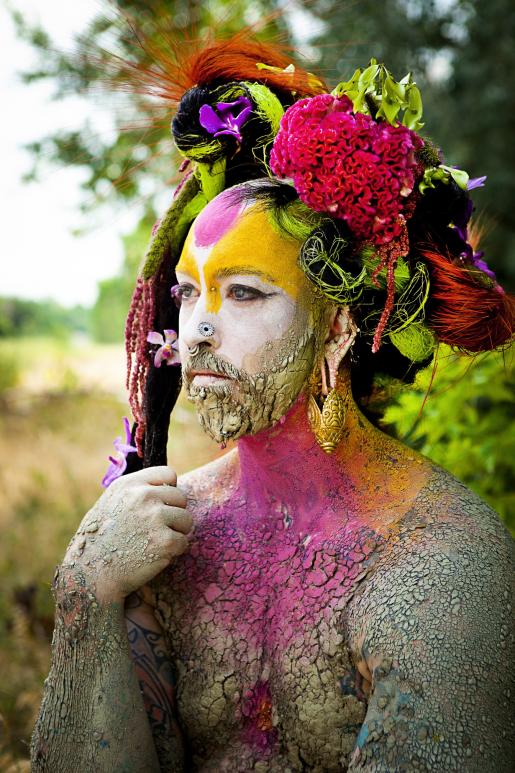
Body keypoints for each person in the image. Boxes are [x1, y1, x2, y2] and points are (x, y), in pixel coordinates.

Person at [31, 35, 514, 772]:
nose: (195, 329)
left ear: (339, 326)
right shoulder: (156, 534)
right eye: (189, 292)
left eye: (246, 293)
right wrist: (83, 595)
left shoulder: (440, 564)